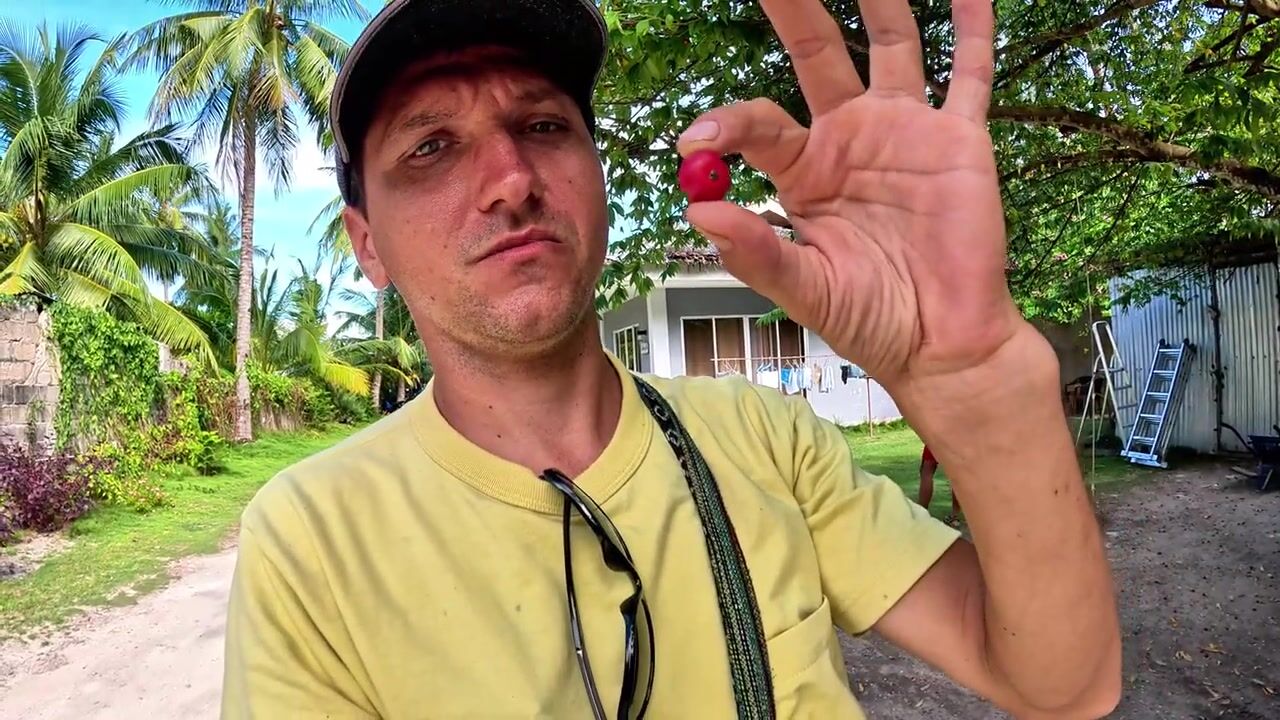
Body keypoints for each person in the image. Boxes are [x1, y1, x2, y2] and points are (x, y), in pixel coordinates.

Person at [221, 0, 1122, 718]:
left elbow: (1063, 687)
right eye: (431, 148)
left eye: (542, 126)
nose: (512, 180)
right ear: (367, 245)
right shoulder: (309, 544)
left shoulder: (769, 440)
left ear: (596, 175)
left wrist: (979, 378)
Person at [917, 444, 962, 526]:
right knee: (957, 475)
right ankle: (954, 515)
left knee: (927, 472)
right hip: (957, 442)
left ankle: (921, 512)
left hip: (936, 441)